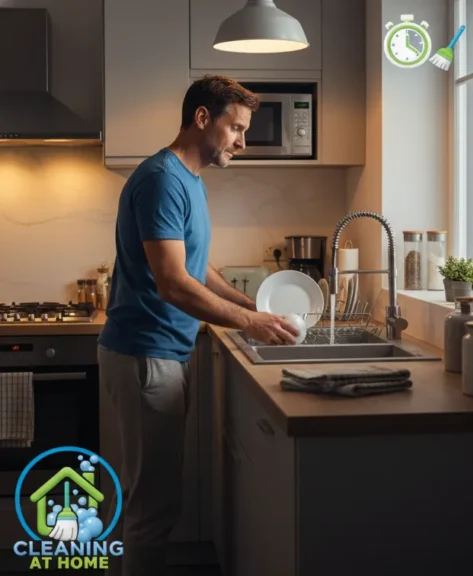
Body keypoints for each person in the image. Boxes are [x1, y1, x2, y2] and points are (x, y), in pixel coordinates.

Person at [98, 75, 300, 576]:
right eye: (237, 128)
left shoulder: (188, 180)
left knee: (150, 495)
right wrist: (249, 321)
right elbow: (172, 284)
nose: (243, 142)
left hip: (163, 352)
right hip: (146, 353)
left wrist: (251, 303)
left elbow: (195, 267)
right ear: (202, 118)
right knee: (152, 507)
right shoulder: (163, 179)